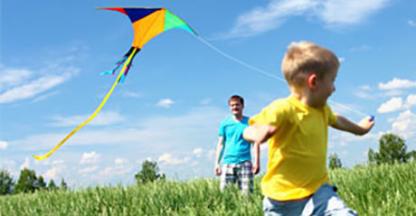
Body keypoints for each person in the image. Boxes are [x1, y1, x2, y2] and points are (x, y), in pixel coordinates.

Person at [243, 41, 374, 215]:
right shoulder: (283, 108)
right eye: (332, 80)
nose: (334, 88)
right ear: (314, 82)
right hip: (281, 200)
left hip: (319, 192)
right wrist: (258, 133)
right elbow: (247, 130)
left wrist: (361, 129)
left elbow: (339, 121)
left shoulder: (322, 110)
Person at [214, 95, 260, 194]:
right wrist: (217, 163)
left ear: (242, 106)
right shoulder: (225, 124)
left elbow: (255, 143)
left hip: (245, 162)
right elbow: (220, 144)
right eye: (232, 105)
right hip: (228, 162)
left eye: (237, 105)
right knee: (225, 195)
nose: (235, 107)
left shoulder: (250, 122)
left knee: (246, 195)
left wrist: (257, 162)